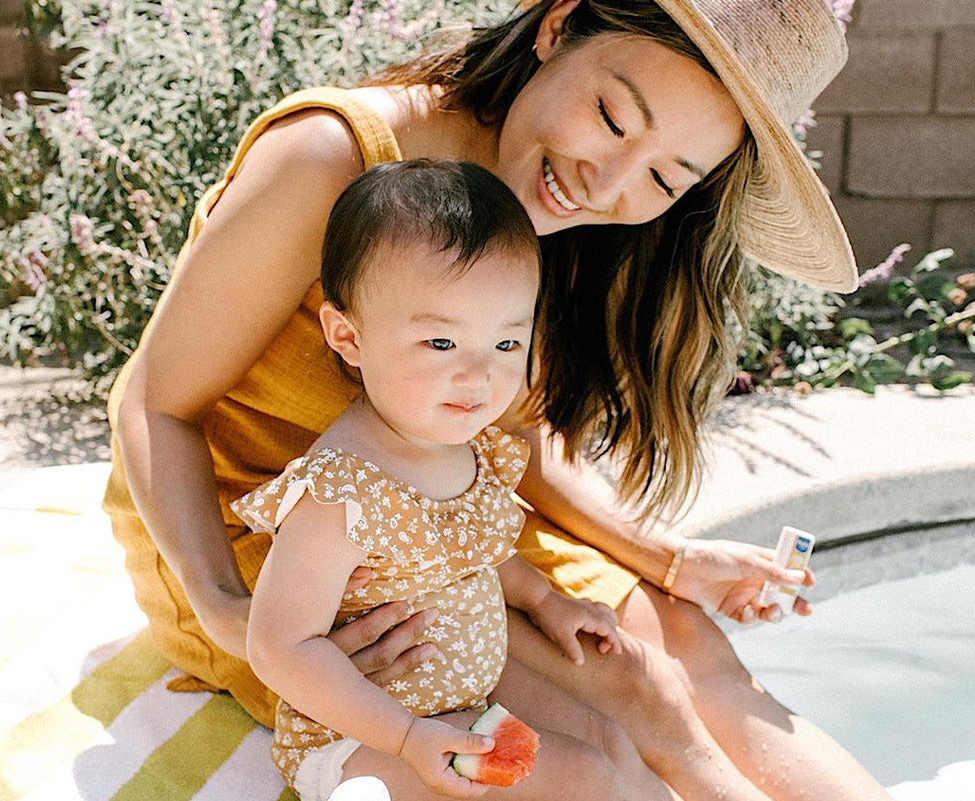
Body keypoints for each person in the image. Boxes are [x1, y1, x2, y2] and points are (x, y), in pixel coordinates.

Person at [105, 1, 892, 799]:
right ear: (558, 25)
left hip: (444, 504)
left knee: (689, 658)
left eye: (664, 176)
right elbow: (153, 403)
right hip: (266, 543)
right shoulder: (332, 157)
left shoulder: (566, 210)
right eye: (613, 117)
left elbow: (507, 437)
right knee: (610, 728)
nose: (609, 182)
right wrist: (225, 608)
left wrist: (671, 559)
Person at [234, 158, 651, 801]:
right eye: (440, 344)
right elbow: (280, 645)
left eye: (506, 345)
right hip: (361, 742)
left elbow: (476, 552)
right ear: (349, 335)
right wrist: (405, 737)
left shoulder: (462, 444)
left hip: (459, 710)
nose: (478, 376)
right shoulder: (343, 493)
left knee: (600, 758)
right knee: (558, 780)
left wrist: (546, 602)